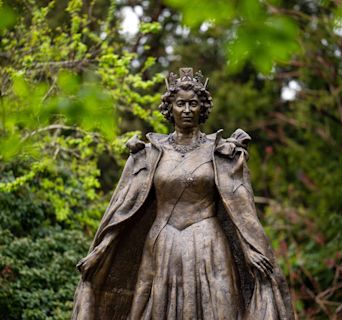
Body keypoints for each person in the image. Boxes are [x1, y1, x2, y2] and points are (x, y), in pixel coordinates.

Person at [72, 68, 294, 320]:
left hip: (208, 242)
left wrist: (250, 249)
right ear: (170, 108)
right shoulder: (149, 153)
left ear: (203, 108)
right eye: (181, 104)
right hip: (162, 243)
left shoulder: (222, 152)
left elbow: (240, 209)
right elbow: (124, 208)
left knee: (222, 310)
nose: (187, 110)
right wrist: (101, 250)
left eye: (193, 104)